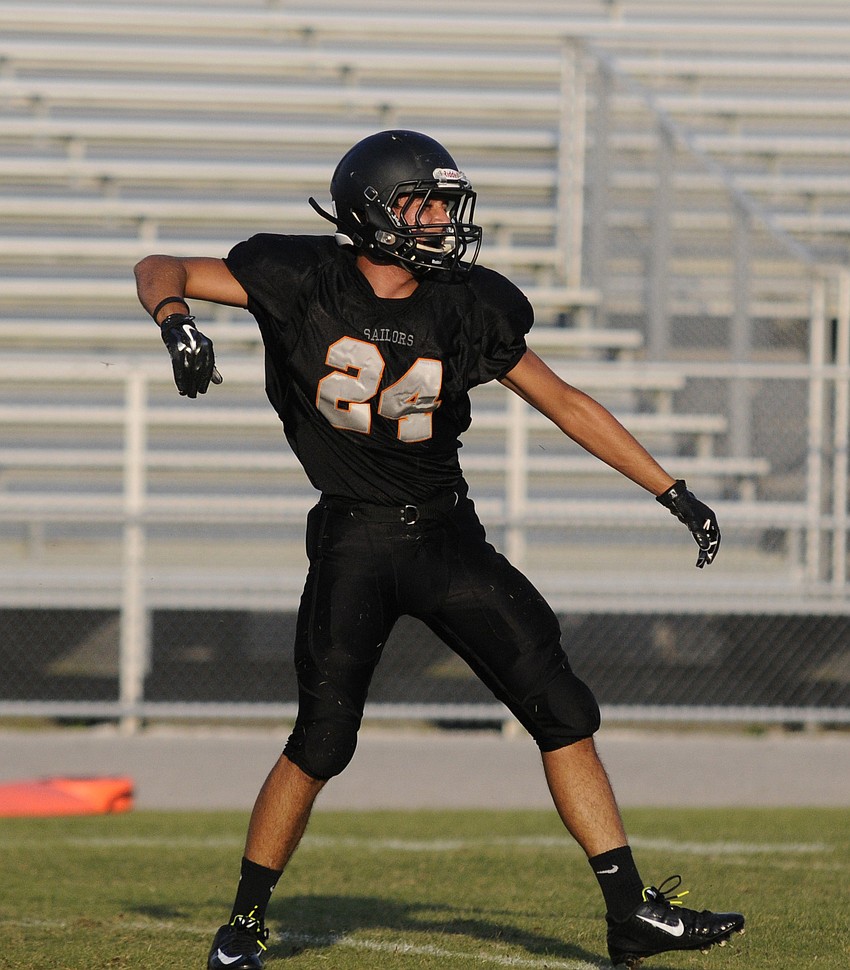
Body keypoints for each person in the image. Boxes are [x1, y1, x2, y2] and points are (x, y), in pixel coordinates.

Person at [134, 129, 743, 970]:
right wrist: (177, 322)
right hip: (355, 537)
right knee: (323, 740)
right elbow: (158, 265)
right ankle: (244, 921)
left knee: (563, 710)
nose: (443, 220)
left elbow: (562, 399)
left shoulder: (466, 303)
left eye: (445, 204)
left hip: (449, 537)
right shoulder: (298, 276)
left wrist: (669, 488)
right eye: (425, 203)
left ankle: (630, 912)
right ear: (374, 211)